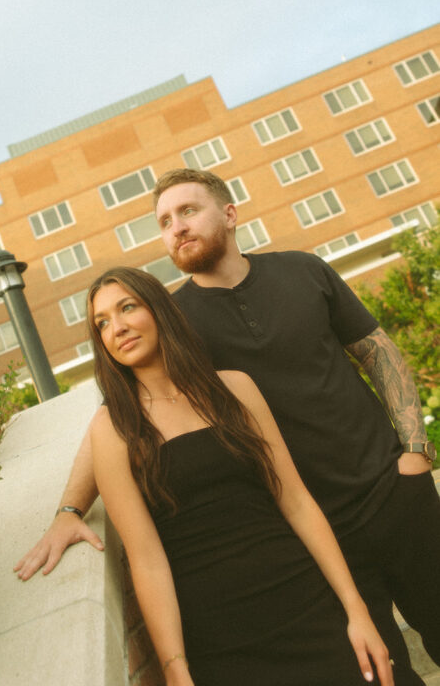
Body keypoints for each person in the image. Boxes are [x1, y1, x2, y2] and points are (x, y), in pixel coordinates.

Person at [14, 168, 440, 685]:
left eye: (188, 211)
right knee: (384, 671)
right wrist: (68, 508)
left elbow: (377, 352)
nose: (177, 228)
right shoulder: (173, 322)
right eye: (165, 221)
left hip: (395, 492)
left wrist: (415, 452)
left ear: (230, 213)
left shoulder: (304, 269)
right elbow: (118, 420)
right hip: (318, 530)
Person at [86, 266, 393, 686]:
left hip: (305, 601)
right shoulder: (113, 428)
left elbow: (297, 502)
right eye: (102, 323)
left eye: (127, 308)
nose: (116, 327)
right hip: (220, 639)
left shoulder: (235, 388)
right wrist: (176, 668)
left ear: (159, 310)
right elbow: (147, 559)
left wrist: (356, 611)